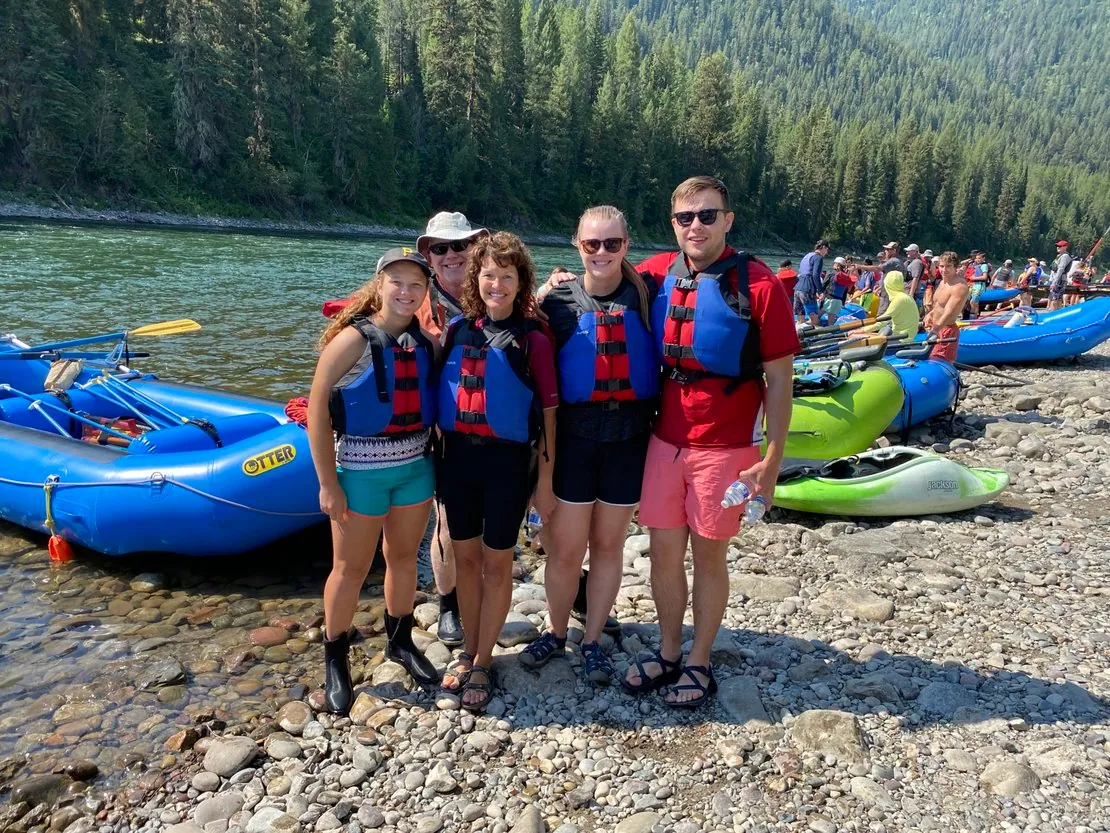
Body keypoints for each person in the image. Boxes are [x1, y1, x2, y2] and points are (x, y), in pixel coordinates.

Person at [623, 176, 799, 707]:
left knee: (708, 556)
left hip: (726, 448)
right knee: (662, 554)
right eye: (685, 217)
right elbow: (601, 279)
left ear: (728, 219)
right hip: (664, 441)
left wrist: (772, 459)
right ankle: (668, 650)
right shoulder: (657, 273)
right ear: (673, 223)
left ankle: (699, 660)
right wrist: (555, 284)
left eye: (707, 215)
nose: (695, 226)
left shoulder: (759, 286)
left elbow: (780, 381)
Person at [521, 206, 658, 685]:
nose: (602, 252)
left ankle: (593, 639)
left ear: (627, 245)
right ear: (576, 245)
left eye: (612, 244)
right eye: (591, 244)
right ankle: (556, 631)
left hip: (629, 439)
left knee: (607, 545)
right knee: (564, 550)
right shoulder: (555, 303)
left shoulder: (648, 296)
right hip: (574, 440)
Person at [307, 249, 442, 714]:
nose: (406, 291)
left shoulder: (427, 344)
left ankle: (400, 641)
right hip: (360, 472)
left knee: (402, 559)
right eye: (397, 282)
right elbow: (317, 413)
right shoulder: (352, 340)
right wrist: (328, 483)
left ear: (426, 292)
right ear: (379, 284)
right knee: (349, 569)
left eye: (416, 284)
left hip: (415, 469)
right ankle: (335, 659)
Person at [436, 232, 558, 712]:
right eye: (489, 275)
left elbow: (549, 418)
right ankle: (470, 649)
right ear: (476, 279)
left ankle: (484, 661)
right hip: (458, 462)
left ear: (521, 281)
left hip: (507, 465)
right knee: (465, 561)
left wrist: (545, 482)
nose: (497, 285)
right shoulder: (457, 331)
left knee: (497, 563)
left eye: (507, 276)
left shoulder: (533, 341)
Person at [414, 212, 490, 648]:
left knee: (523, 515)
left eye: (460, 245)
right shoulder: (417, 302)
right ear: (429, 257)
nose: (451, 255)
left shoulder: (498, 289)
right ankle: (448, 604)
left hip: (499, 430)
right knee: (445, 522)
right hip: (446, 432)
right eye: (440, 248)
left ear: (476, 247)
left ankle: (569, 584)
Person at [923, 251, 969, 363]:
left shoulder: (959, 286)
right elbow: (939, 305)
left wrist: (935, 330)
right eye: (942, 266)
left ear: (955, 267)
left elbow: (949, 311)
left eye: (948, 266)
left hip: (946, 330)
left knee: (939, 362)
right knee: (929, 361)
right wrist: (930, 314)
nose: (944, 270)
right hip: (936, 327)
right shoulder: (942, 283)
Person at [795, 239, 829, 327]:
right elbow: (815, 275)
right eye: (827, 249)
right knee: (815, 320)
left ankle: (799, 331)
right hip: (807, 289)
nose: (827, 252)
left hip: (798, 289)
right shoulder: (818, 258)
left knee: (800, 319)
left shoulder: (807, 255)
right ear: (823, 247)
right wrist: (820, 291)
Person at [1048, 240, 1072, 311]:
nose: (1058, 247)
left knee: (1054, 299)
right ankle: (1057, 312)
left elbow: (1060, 269)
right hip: (1058, 279)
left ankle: (1053, 314)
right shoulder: (1059, 256)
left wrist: (1054, 282)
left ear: (1065, 247)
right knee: (1057, 298)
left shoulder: (1065, 256)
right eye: (1057, 246)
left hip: (1060, 280)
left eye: (1060, 246)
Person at [903, 244, 927, 308]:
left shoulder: (917, 262)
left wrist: (911, 293)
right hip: (907, 288)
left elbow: (915, 278)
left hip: (910, 290)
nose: (907, 252)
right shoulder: (910, 262)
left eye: (909, 251)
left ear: (914, 252)